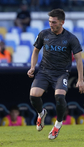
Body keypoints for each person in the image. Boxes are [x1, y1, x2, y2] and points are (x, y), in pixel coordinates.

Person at [27, 9, 84, 140]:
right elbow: (35, 51)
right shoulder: (43, 34)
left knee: (59, 96)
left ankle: (57, 125)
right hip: (44, 71)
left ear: (62, 22)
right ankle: (41, 114)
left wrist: (81, 79)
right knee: (33, 96)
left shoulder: (71, 38)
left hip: (61, 73)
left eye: (54, 22)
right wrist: (32, 67)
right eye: (49, 22)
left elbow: (79, 60)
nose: (51, 24)